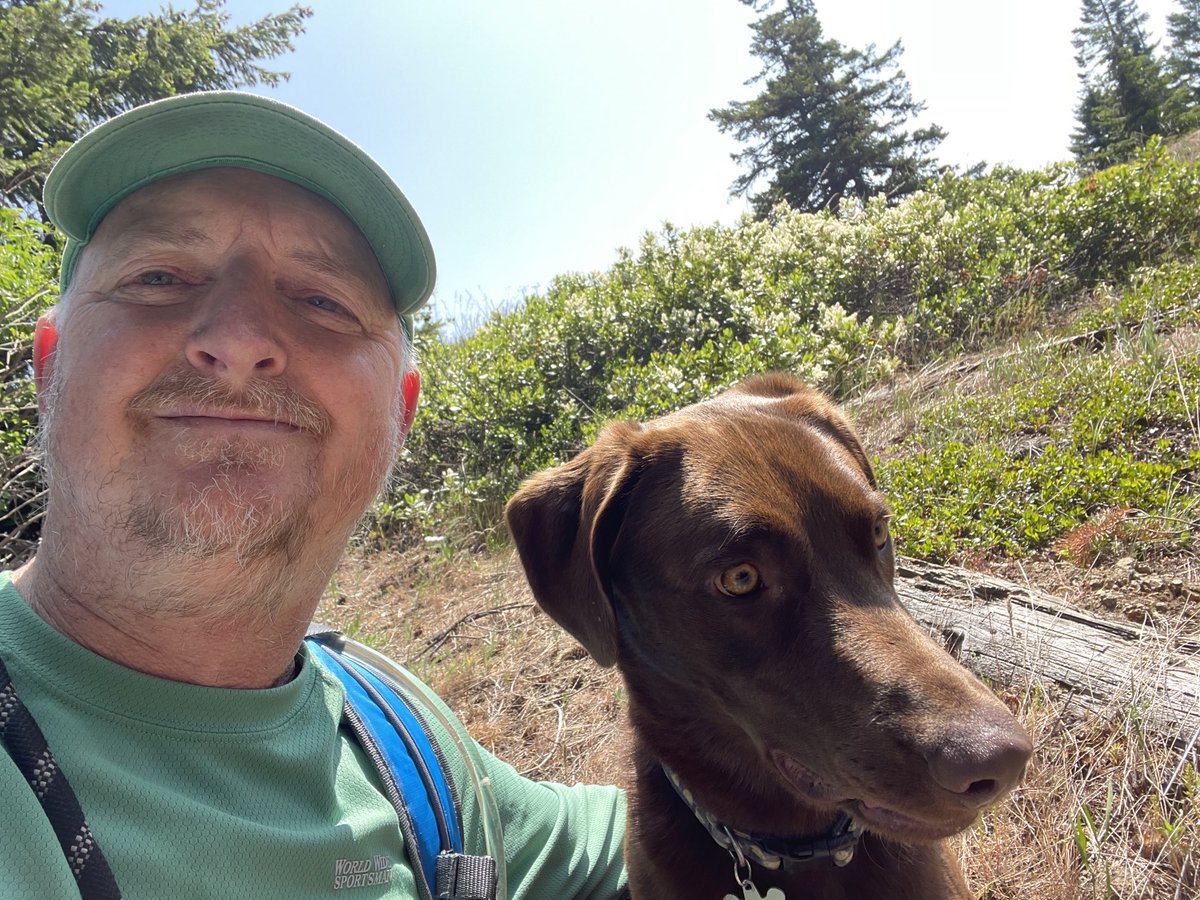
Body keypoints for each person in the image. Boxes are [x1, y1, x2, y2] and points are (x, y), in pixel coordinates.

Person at [0, 92, 627, 900]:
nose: (238, 340)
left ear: (400, 415)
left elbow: (646, 838)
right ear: (49, 368)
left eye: (322, 300)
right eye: (157, 277)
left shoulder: (405, 746)